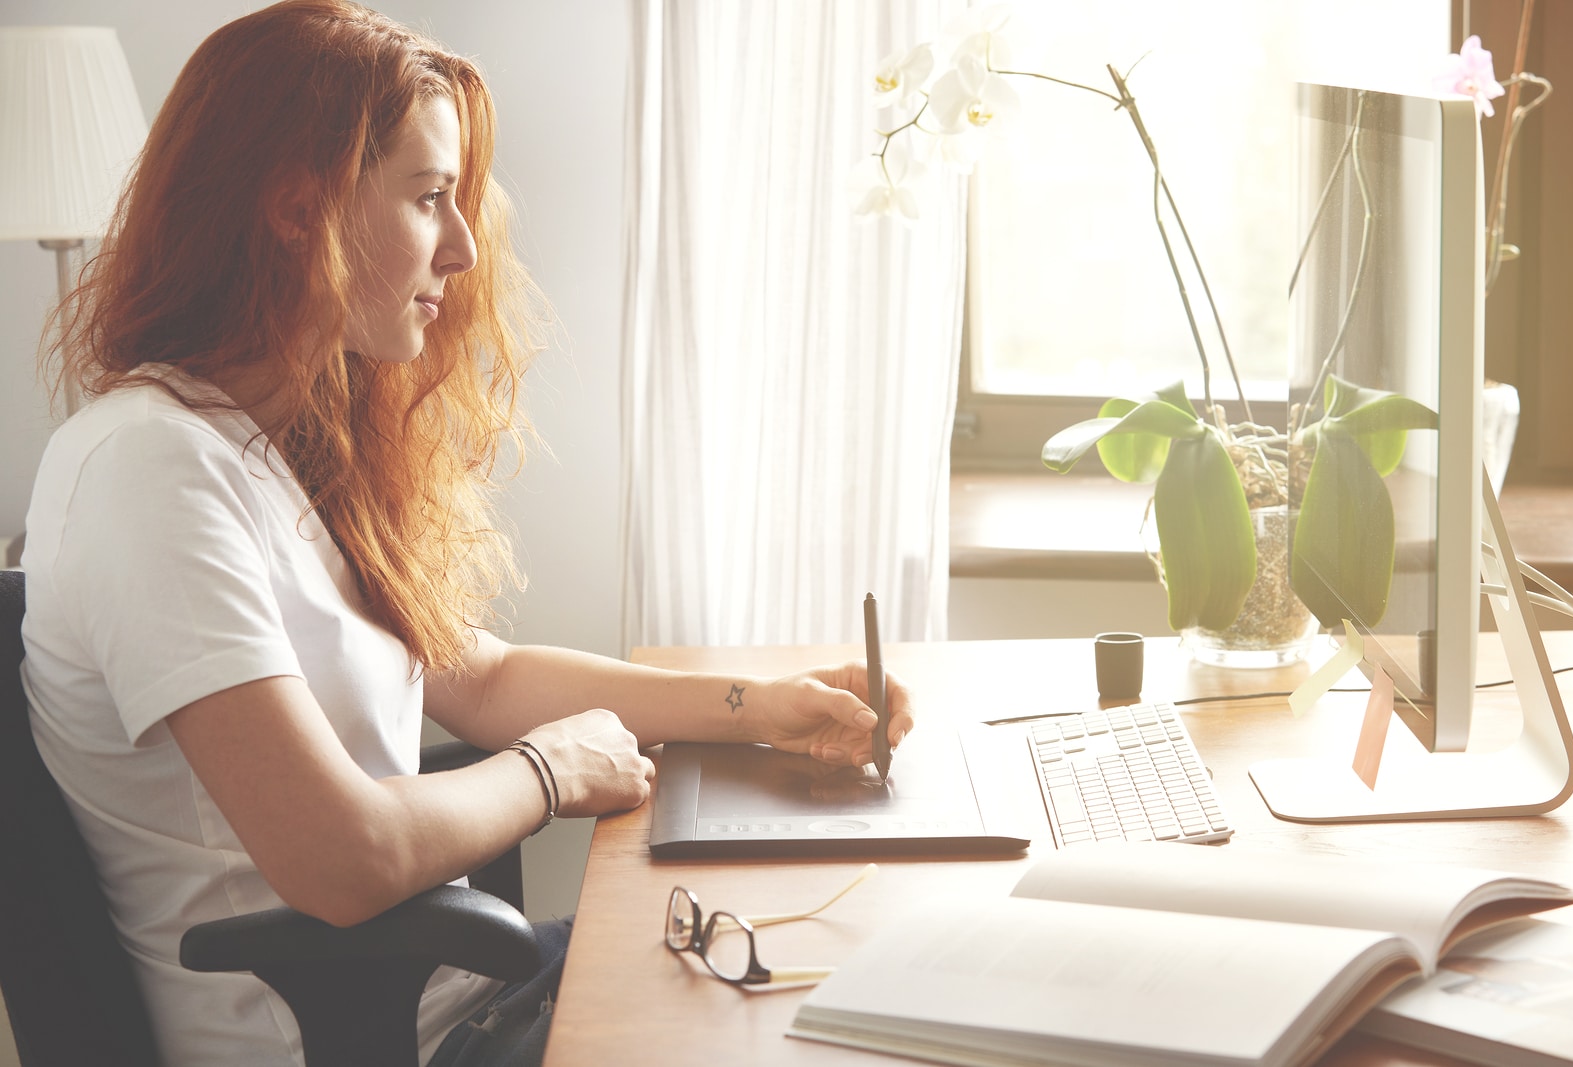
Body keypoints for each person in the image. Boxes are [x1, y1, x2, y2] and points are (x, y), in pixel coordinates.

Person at [17, 3, 914, 1064]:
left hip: (468, 996)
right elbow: (339, 857)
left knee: (858, 969)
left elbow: (475, 677)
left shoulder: (269, 443)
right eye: (429, 197)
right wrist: (549, 772)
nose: (461, 245)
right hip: (370, 1037)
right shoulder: (147, 469)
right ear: (298, 206)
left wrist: (756, 708)